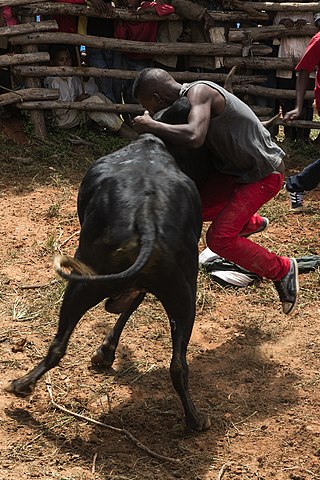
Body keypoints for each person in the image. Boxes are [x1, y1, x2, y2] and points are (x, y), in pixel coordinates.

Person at [132, 67, 300, 315]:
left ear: (158, 98)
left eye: (150, 105)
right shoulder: (191, 98)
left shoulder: (200, 92)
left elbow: (194, 137)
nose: (155, 112)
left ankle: (282, 269)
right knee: (190, 210)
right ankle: (250, 223)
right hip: (235, 173)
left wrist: (151, 125)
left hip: (263, 174)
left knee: (218, 239)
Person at [44, 47, 137, 139]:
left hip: (73, 111)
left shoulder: (70, 77)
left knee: (99, 96)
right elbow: (60, 110)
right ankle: (120, 130)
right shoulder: (55, 80)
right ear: (53, 63)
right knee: (94, 101)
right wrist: (78, 100)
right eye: (61, 60)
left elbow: (86, 91)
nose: (65, 62)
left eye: (68, 59)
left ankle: (122, 124)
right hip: (63, 119)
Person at [283, 13, 320, 210]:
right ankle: (296, 184)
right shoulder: (319, 40)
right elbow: (304, 70)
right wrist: (298, 107)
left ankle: (296, 184)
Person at [272, 10, 315, 141]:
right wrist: (281, 24)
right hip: (285, 63)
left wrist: (307, 26)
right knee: (286, 101)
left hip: (306, 64)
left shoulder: (310, 14)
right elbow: (273, 38)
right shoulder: (280, 14)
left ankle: (304, 136)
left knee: (306, 101)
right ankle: (289, 134)